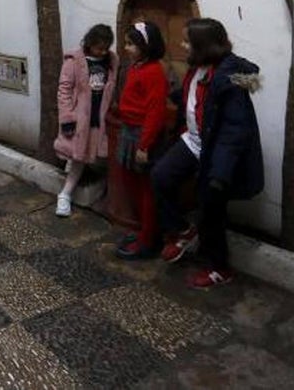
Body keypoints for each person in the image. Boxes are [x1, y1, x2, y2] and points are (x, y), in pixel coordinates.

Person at [152, 18, 264, 289]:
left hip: (215, 153)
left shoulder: (227, 79)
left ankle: (219, 268)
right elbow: (195, 99)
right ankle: (182, 230)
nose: (182, 44)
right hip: (192, 142)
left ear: (202, 46)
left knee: (210, 212)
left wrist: (220, 173)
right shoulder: (198, 67)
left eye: (187, 41)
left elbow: (234, 130)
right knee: (160, 176)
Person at [112, 22, 170, 259]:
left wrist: (144, 145)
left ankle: (148, 241)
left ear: (147, 46)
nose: (126, 48)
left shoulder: (154, 71)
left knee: (146, 189)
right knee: (132, 184)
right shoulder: (137, 67)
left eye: (131, 44)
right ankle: (145, 232)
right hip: (129, 131)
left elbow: (155, 111)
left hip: (141, 135)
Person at [54, 24, 118, 217]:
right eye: (99, 47)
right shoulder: (74, 61)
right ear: (90, 43)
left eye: (106, 47)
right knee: (78, 157)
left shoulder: (112, 61)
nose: (103, 51)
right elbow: (64, 90)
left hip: (101, 118)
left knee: (97, 154)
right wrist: (67, 117)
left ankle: (103, 194)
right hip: (80, 119)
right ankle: (65, 195)